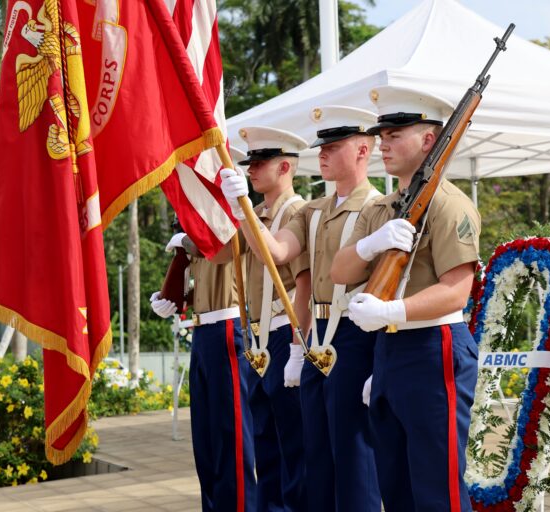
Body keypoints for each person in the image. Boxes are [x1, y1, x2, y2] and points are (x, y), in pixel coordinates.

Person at [219, 106, 385, 512]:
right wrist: (242, 205)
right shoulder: (313, 211)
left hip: (357, 335)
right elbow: (276, 254)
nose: (323, 153)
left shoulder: (379, 207)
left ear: (363, 149)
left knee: (354, 460)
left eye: (334, 145)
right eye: (322, 146)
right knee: (318, 460)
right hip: (316, 342)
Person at [331, 85, 481, 512]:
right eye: (382, 134)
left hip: (434, 348)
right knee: (394, 487)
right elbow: (340, 271)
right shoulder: (380, 209)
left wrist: (392, 311)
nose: (384, 142)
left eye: (396, 133)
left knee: (437, 490)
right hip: (390, 349)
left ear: (430, 140)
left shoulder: (449, 205)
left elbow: (456, 291)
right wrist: (369, 246)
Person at [213, 126, 311, 511]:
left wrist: (295, 349)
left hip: (284, 333)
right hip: (257, 339)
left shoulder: (299, 211)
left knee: (294, 450)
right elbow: (224, 256)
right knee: (266, 448)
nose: (251, 170)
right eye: (249, 162)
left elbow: (293, 273)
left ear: (284, 166)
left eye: (260, 162)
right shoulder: (259, 214)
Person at [150, 176, 256, 510]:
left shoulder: (232, 218)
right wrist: (175, 296)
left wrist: (188, 239)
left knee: (232, 438)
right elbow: (205, 279)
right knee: (207, 441)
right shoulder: (199, 224)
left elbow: (224, 254)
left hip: (228, 328)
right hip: (204, 330)